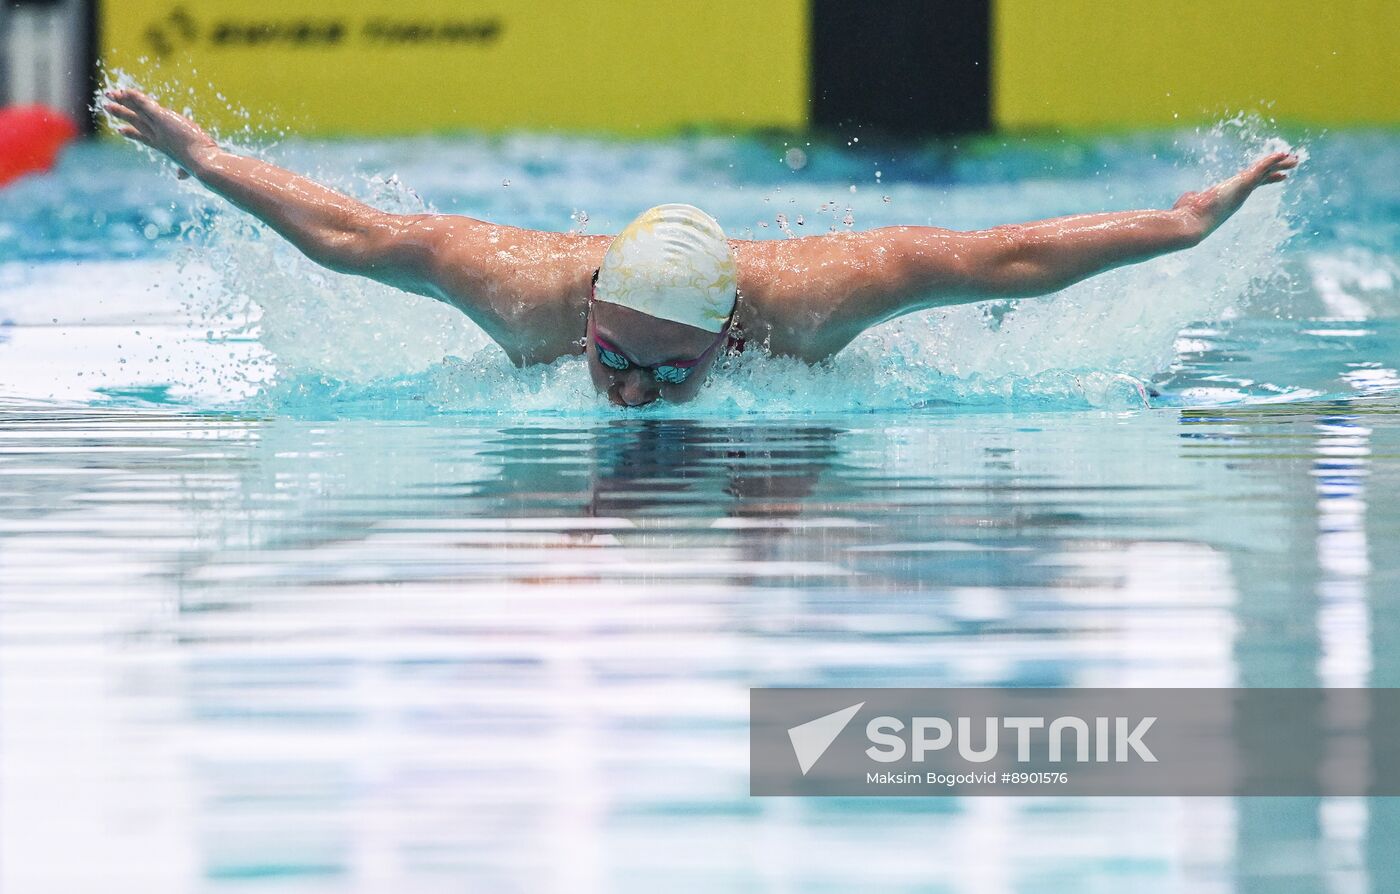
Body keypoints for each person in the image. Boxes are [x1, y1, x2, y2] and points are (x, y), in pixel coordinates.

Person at [102, 88, 1299, 408]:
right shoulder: (517, 292)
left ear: (731, 330)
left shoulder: (816, 301)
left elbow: (1007, 259)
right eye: (613, 359)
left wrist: (1185, 221)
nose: (631, 394)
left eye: (671, 372)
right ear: (588, 312)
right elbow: (353, 235)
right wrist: (204, 155)